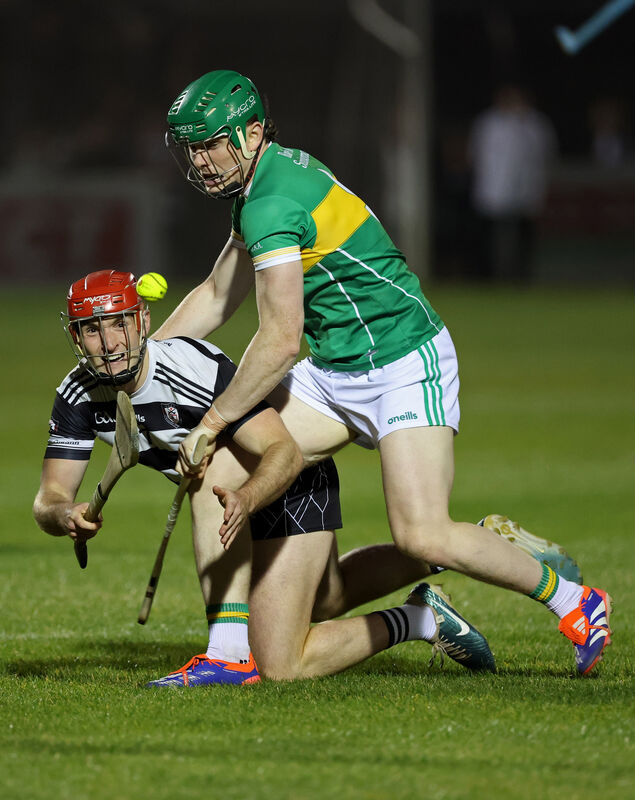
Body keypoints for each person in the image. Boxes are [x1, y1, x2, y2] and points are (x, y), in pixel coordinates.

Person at [156, 70, 610, 678]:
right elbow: (216, 295)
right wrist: (151, 363)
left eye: (212, 143)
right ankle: (231, 655)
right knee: (225, 466)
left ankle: (577, 602)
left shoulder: (271, 201)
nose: (202, 160)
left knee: (421, 534)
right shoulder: (261, 184)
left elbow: (280, 340)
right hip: (335, 370)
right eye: (193, 147)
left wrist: (213, 418)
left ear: (254, 132)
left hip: (402, 362)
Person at [33, 270, 581, 686]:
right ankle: (429, 607)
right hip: (237, 504)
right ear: (76, 338)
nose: (107, 343)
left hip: (289, 480)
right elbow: (50, 497)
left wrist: (246, 497)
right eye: (91, 331)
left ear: (142, 321)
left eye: (117, 324)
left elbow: (284, 451)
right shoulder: (79, 395)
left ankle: (227, 652)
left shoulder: (191, 369)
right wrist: (65, 515)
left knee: (280, 662)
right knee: (330, 596)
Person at [468, 84, 557, 283]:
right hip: (493, 191)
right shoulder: (488, 123)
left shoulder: (536, 124)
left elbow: (546, 156)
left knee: (524, 239)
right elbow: (476, 155)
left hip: (526, 192)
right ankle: (493, 277)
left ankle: (522, 277)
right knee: (494, 239)